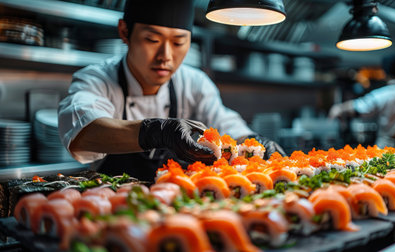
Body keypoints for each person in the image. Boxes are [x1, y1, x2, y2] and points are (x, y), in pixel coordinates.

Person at [58, 0, 285, 182]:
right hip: (114, 210)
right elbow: (82, 133)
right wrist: (157, 132)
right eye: (152, 39)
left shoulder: (194, 83)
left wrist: (256, 142)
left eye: (178, 43)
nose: (165, 56)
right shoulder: (97, 79)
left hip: (182, 207)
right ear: (124, 32)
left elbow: (227, 126)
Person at [329, 52, 395, 148]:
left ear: (385, 73)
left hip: (385, 149)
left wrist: (339, 107)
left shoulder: (380, 95)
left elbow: (358, 108)